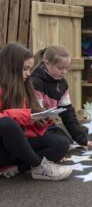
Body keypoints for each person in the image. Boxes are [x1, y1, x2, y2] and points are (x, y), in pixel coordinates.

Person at [0, 42, 72, 180]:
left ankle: (19, 168)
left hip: (16, 151)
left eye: (30, 68)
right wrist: (24, 116)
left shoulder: (23, 87)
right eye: (25, 68)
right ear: (10, 67)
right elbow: (9, 123)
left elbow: (25, 131)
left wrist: (41, 120)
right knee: (6, 123)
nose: (28, 73)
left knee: (61, 143)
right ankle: (40, 167)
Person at [31, 45, 92, 149]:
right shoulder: (35, 82)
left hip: (46, 124)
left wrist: (82, 139)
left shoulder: (62, 83)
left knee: (68, 143)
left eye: (67, 68)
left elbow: (68, 113)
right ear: (46, 63)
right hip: (31, 127)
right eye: (60, 68)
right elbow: (36, 116)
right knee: (60, 145)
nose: (64, 72)